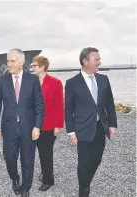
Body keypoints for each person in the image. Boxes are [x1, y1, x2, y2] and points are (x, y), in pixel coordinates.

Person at [0, 48, 45, 197]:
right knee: (10, 159)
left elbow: (40, 106)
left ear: (21, 62)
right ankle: (15, 178)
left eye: (12, 61)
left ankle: (26, 187)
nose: (9, 64)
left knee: (28, 161)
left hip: (28, 129)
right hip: (9, 129)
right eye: (7, 61)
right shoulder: (1, 81)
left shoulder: (32, 80)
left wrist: (37, 126)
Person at [65, 47, 117, 197]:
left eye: (99, 59)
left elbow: (109, 104)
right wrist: (71, 131)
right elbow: (68, 110)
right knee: (84, 162)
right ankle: (84, 190)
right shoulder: (72, 83)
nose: (99, 62)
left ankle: (86, 181)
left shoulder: (103, 79)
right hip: (82, 129)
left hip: (101, 127)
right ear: (85, 61)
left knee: (97, 158)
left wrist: (112, 125)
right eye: (96, 59)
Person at [32, 56, 64, 191]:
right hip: (31, 125)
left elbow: (59, 105)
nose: (32, 68)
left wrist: (58, 125)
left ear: (43, 67)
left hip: (49, 125)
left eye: (34, 65)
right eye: (32, 65)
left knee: (45, 153)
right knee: (32, 152)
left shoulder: (55, 83)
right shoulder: (30, 82)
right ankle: (43, 173)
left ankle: (48, 180)